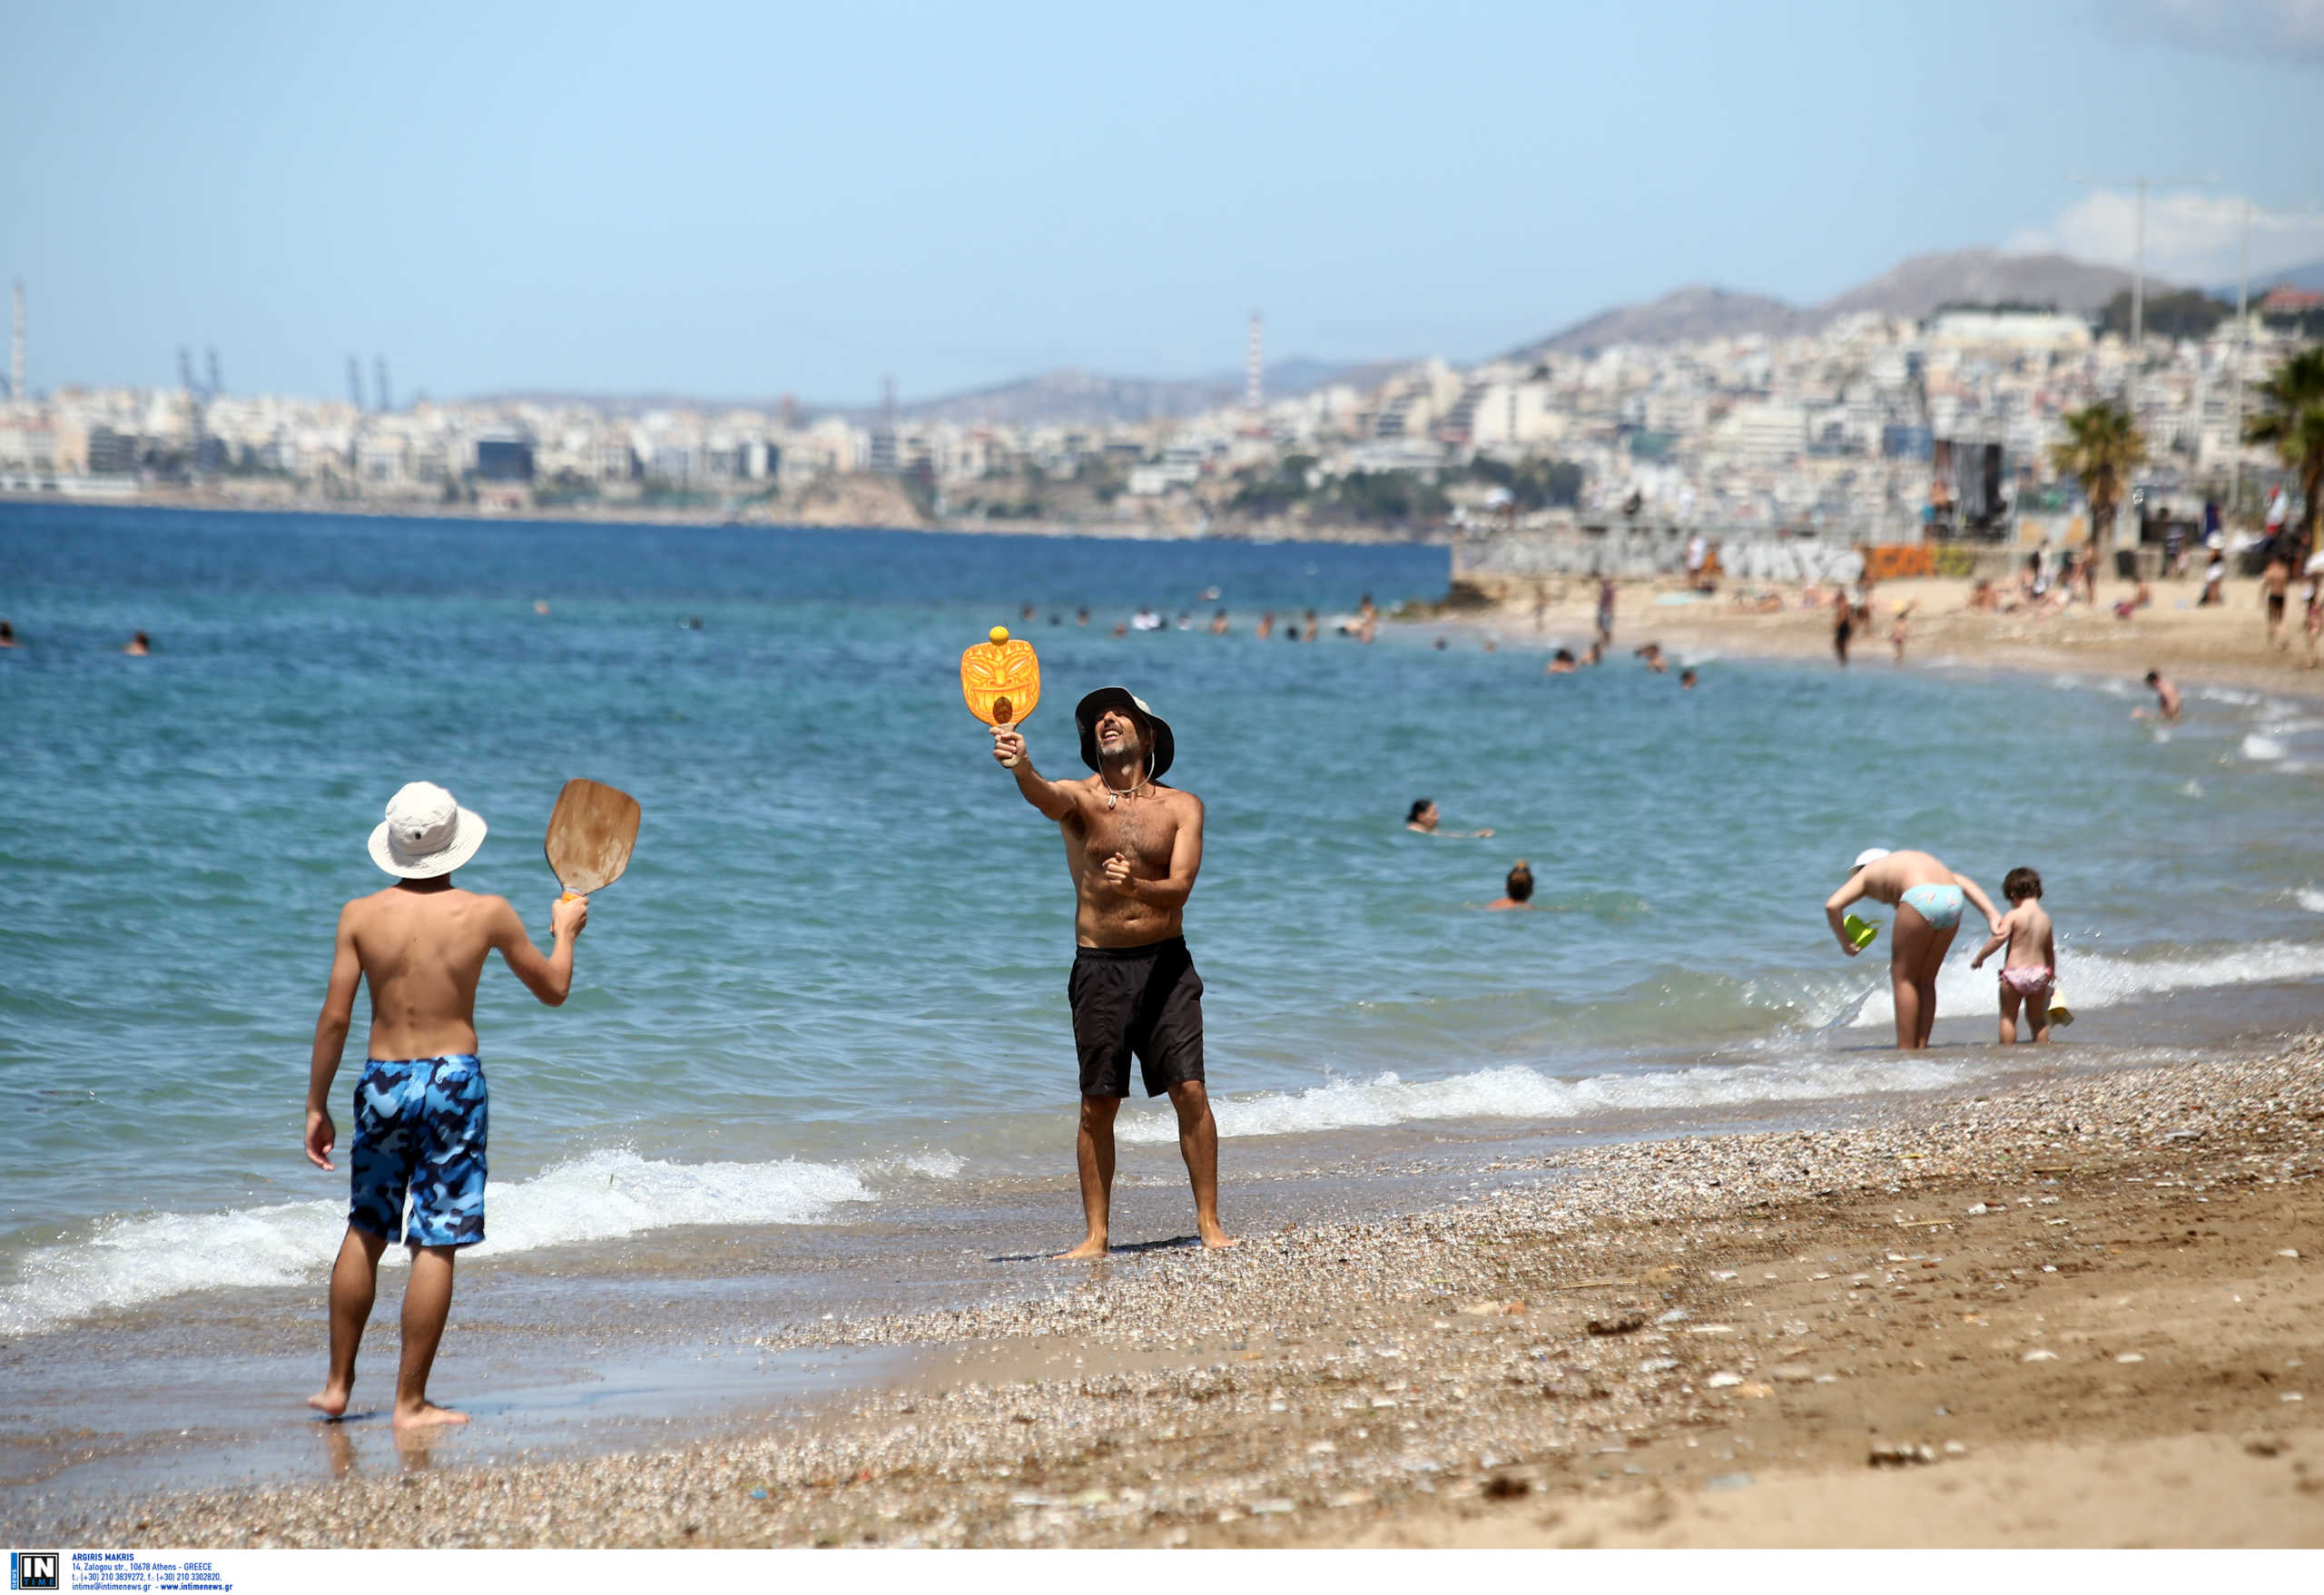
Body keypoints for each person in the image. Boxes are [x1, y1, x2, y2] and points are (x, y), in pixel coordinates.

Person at [304, 782, 589, 1429]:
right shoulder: (486, 912)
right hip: (454, 1083)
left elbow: (334, 1017)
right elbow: (554, 988)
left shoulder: (358, 914)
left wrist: (315, 1103)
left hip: (381, 1079)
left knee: (366, 1227)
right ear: (455, 843)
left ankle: (336, 1385)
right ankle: (409, 1402)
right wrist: (565, 930)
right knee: (435, 1239)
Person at [990, 689, 1233, 1257]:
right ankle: (1096, 1236)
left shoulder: (1183, 808)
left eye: (1120, 712)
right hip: (1100, 966)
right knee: (1097, 1103)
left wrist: (1135, 887)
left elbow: (1180, 890)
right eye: (1099, 716)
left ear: (1148, 736)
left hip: (1167, 965)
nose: (1107, 719)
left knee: (1190, 1090)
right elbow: (1044, 796)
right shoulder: (1080, 801)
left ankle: (1210, 1224)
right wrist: (1021, 764)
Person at [1824, 847, 2003, 1050]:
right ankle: (1921, 1045)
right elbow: (1962, 881)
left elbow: (1832, 905)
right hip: (1952, 899)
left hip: (1920, 898)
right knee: (1926, 980)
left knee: (1903, 979)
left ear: (1861, 869)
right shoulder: (1910, 864)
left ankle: (1906, 1050)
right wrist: (1992, 914)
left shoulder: (1867, 872)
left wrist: (1846, 943)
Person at [1970, 867, 2057, 1045]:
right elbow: (2049, 949)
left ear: (2012, 893)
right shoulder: (2045, 919)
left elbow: (1999, 938)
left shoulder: (2014, 915)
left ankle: (2008, 1054)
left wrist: (1980, 957)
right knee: (2037, 1019)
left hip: (2015, 974)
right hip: (2039, 974)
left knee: (2008, 1018)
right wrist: (2051, 972)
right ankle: (2043, 1053)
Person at [1405, 799, 1492, 838]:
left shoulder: (1425, 831)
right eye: (1434, 814)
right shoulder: (1414, 830)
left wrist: (1474, 835)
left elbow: (1444, 834)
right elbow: (1442, 836)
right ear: (1421, 816)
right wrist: (1474, 836)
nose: (1438, 818)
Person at [2262, 553, 2292, 649]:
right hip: (2282, 596)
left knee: (2271, 620)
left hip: (2273, 596)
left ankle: (2271, 643)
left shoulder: (2272, 571)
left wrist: (2261, 597)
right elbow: (2286, 584)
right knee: (2281, 620)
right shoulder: (2285, 571)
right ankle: (2283, 638)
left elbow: (2265, 584)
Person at [1890, 600, 1914, 665]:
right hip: (1899, 637)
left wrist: (1893, 635)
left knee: (1898, 647)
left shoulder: (1898, 623)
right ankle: (1898, 657)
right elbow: (1904, 630)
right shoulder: (1902, 623)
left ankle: (1897, 657)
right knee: (1899, 648)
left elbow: (1895, 630)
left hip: (1898, 637)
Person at [1832, 598, 1853, 667]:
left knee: (1840, 644)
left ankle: (1844, 661)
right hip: (1845, 627)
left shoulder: (1844, 607)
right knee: (1841, 645)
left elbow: (1842, 618)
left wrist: (1836, 626)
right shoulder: (1845, 607)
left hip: (1844, 627)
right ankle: (1844, 661)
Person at [1595, 578, 1616, 645]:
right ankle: (1605, 640)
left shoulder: (1609, 590)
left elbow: (1610, 600)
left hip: (1606, 609)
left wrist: (1608, 609)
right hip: (1604, 609)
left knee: (1605, 626)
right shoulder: (1606, 590)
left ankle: (1606, 640)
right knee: (1603, 626)